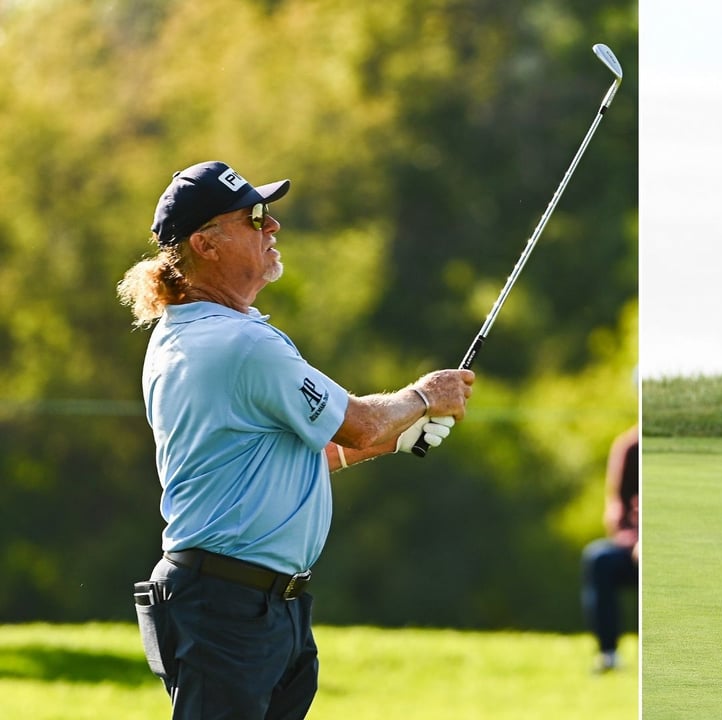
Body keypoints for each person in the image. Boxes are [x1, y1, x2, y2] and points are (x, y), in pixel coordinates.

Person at [118, 160, 475, 718]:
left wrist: (397, 440)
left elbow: (298, 457)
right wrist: (426, 396)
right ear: (206, 245)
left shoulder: (202, 333)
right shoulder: (237, 344)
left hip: (259, 607)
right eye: (254, 217)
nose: (272, 227)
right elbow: (360, 422)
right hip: (225, 607)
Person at [580, 424, 639, 673]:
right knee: (599, 559)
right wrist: (636, 542)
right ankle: (609, 654)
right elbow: (618, 509)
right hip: (637, 548)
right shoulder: (631, 446)